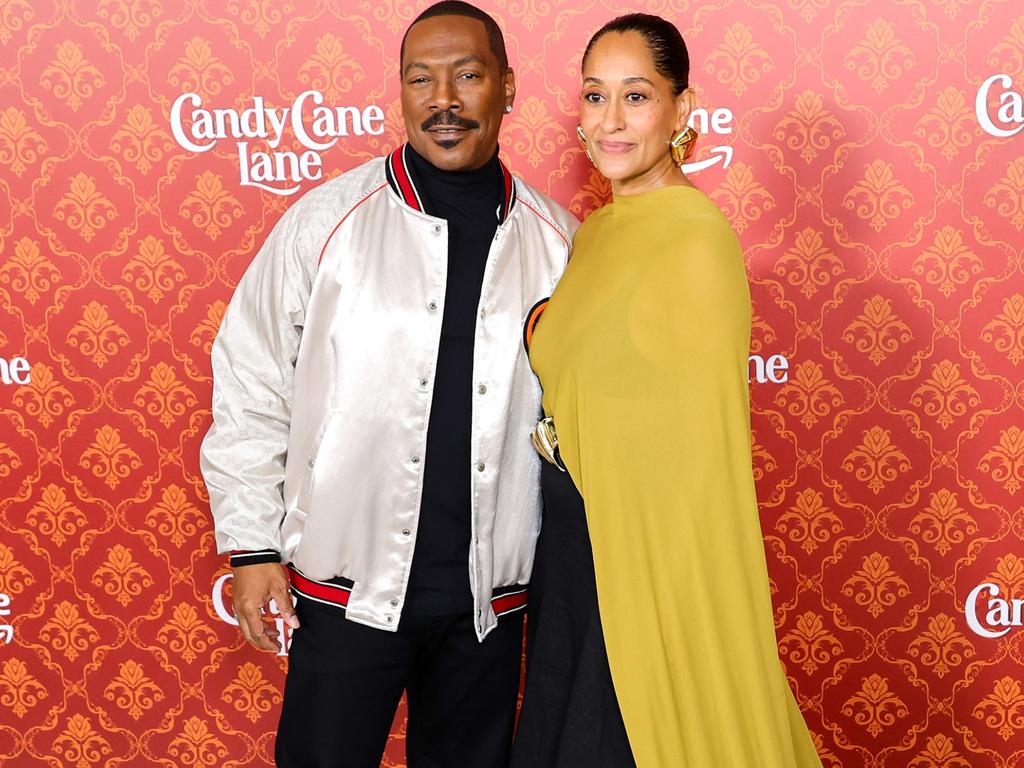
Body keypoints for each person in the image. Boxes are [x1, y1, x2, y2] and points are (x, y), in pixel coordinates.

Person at [199, 2, 576, 765]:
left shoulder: (559, 241)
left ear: (507, 88)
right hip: (345, 592)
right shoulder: (327, 221)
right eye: (420, 79)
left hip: (488, 608)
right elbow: (251, 379)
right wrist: (250, 550)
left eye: (468, 76)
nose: (444, 99)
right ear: (400, 93)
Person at [511, 14, 823, 768]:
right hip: (572, 551)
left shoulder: (696, 240)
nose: (610, 121)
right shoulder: (596, 236)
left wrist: (668, 592)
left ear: (682, 110)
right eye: (594, 96)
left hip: (647, 566)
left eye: (637, 96)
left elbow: (698, 449)